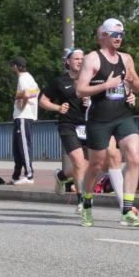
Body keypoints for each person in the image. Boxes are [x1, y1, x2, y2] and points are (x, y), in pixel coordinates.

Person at [76, 18, 139, 228]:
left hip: (122, 116)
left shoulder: (126, 59)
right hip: (99, 119)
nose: (119, 39)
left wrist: (132, 87)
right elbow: (81, 89)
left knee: (134, 157)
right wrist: (106, 85)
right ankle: (87, 204)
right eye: (115, 35)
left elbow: (138, 85)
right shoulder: (92, 59)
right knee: (96, 164)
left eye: (122, 35)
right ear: (105, 36)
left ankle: (127, 211)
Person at [40, 48, 91, 210]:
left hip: (88, 125)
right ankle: (82, 201)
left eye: (82, 59)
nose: (80, 61)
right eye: (76, 58)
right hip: (67, 125)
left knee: (87, 164)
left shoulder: (91, 79)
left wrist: (91, 102)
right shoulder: (60, 82)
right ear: (68, 62)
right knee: (78, 161)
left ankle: (61, 176)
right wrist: (57, 108)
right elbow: (42, 100)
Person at [9, 56, 39, 184]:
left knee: (23, 146)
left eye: (12, 65)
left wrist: (23, 105)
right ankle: (16, 175)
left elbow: (27, 94)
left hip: (23, 117)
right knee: (17, 147)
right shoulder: (29, 77)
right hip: (22, 117)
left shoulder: (22, 78)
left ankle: (29, 175)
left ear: (16, 66)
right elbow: (37, 91)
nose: (11, 68)